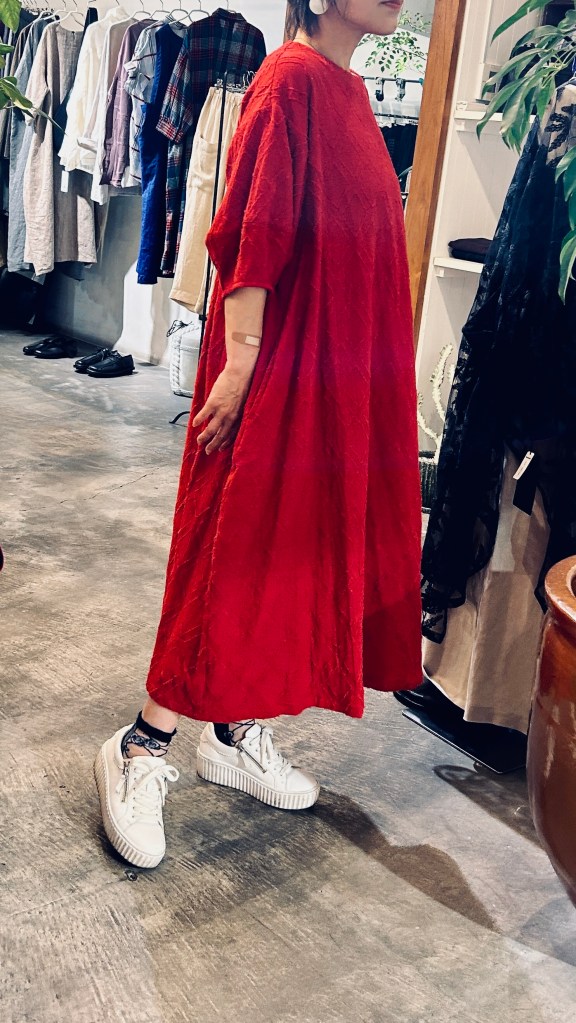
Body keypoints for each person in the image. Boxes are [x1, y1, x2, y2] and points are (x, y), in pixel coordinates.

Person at [95, 0, 422, 870]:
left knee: (288, 552)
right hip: (276, 362)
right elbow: (256, 229)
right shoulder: (288, 81)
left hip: (334, 375)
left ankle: (233, 727)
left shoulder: (348, 92)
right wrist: (241, 360)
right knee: (227, 543)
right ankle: (141, 744)